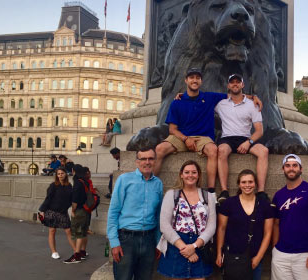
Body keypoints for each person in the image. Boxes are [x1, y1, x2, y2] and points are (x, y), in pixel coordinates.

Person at [154, 68, 261, 198]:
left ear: (201, 81)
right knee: (159, 149)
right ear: (186, 80)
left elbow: (234, 96)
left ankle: (211, 191)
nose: (194, 80)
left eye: (197, 78)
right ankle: (151, 183)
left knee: (213, 150)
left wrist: (254, 97)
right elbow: (172, 129)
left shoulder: (209, 97)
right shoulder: (177, 102)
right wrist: (185, 139)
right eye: (191, 78)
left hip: (203, 138)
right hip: (182, 136)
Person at [107, 148, 163, 279]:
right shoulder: (125, 180)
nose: (147, 162)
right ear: (137, 162)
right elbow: (113, 212)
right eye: (143, 159)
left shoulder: (158, 184)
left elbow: (158, 214)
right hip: (127, 240)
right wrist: (114, 243)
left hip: (149, 240)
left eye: (150, 158)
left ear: (155, 161)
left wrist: (158, 241)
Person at [271, 154, 308, 280]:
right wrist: (275, 249)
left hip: (306, 255)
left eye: (295, 165)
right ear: (283, 169)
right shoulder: (278, 195)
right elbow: (276, 223)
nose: (291, 168)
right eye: (287, 166)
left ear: (300, 169)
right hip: (281, 256)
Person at [157, 160, 217, 279]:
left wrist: (193, 246)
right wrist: (184, 248)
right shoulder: (172, 194)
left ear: (198, 175)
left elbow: (211, 226)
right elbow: (164, 225)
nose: (190, 175)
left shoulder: (208, 196)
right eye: (187, 172)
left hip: (200, 245)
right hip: (176, 244)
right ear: (181, 174)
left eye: (194, 172)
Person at [215, 74, 269, 204]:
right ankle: (224, 191)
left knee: (264, 151)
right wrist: (181, 95)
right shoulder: (220, 104)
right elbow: (200, 98)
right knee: (221, 150)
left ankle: (261, 191)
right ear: (228, 85)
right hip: (227, 138)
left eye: (237, 82)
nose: (235, 84)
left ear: (242, 85)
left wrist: (248, 142)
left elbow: (259, 130)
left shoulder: (252, 105)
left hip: (245, 138)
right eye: (232, 82)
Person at [216, 169, 273, 280]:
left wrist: (258, 257)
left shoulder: (265, 205)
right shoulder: (229, 203)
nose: (247, 185)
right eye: (244, 182)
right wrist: (219, 253)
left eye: (250, 182)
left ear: (255, 184)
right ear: (238, 184)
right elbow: (221, 228)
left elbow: (268, 233)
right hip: (232, 256)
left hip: (254, 258)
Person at [38, 167, 75, 259]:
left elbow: (71, 199)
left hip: (63, 212)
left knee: (68, 231)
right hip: (52, 211)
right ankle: (54, 252)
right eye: (58, 174)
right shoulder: (53, 185)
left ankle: (76, 251)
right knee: (52, 231)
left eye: (62, 173)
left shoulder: (69, 186)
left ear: (65, 174)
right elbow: (48, 198)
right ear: (56, 175)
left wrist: (72, 209)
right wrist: (42, 210)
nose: (60, 175)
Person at [63, 164, 91, 264]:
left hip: (79, 210)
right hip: (86, 210)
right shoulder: (85, 181)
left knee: (77, 233)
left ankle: (76, 255)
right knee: (83, 232)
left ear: (74, 171)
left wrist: (73, 211)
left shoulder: (77, 183)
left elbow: (75, 201)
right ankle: (82, 252)